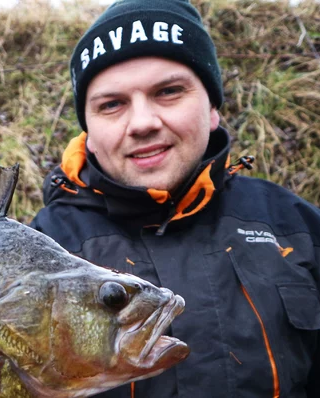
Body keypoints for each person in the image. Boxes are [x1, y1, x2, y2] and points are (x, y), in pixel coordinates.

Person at [29, 0, 320, 397]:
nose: (143, 123)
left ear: (212, 107)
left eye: (168, 92)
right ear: (90, 132)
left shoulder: (297, 226)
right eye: (112, 105)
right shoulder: (39, 251)